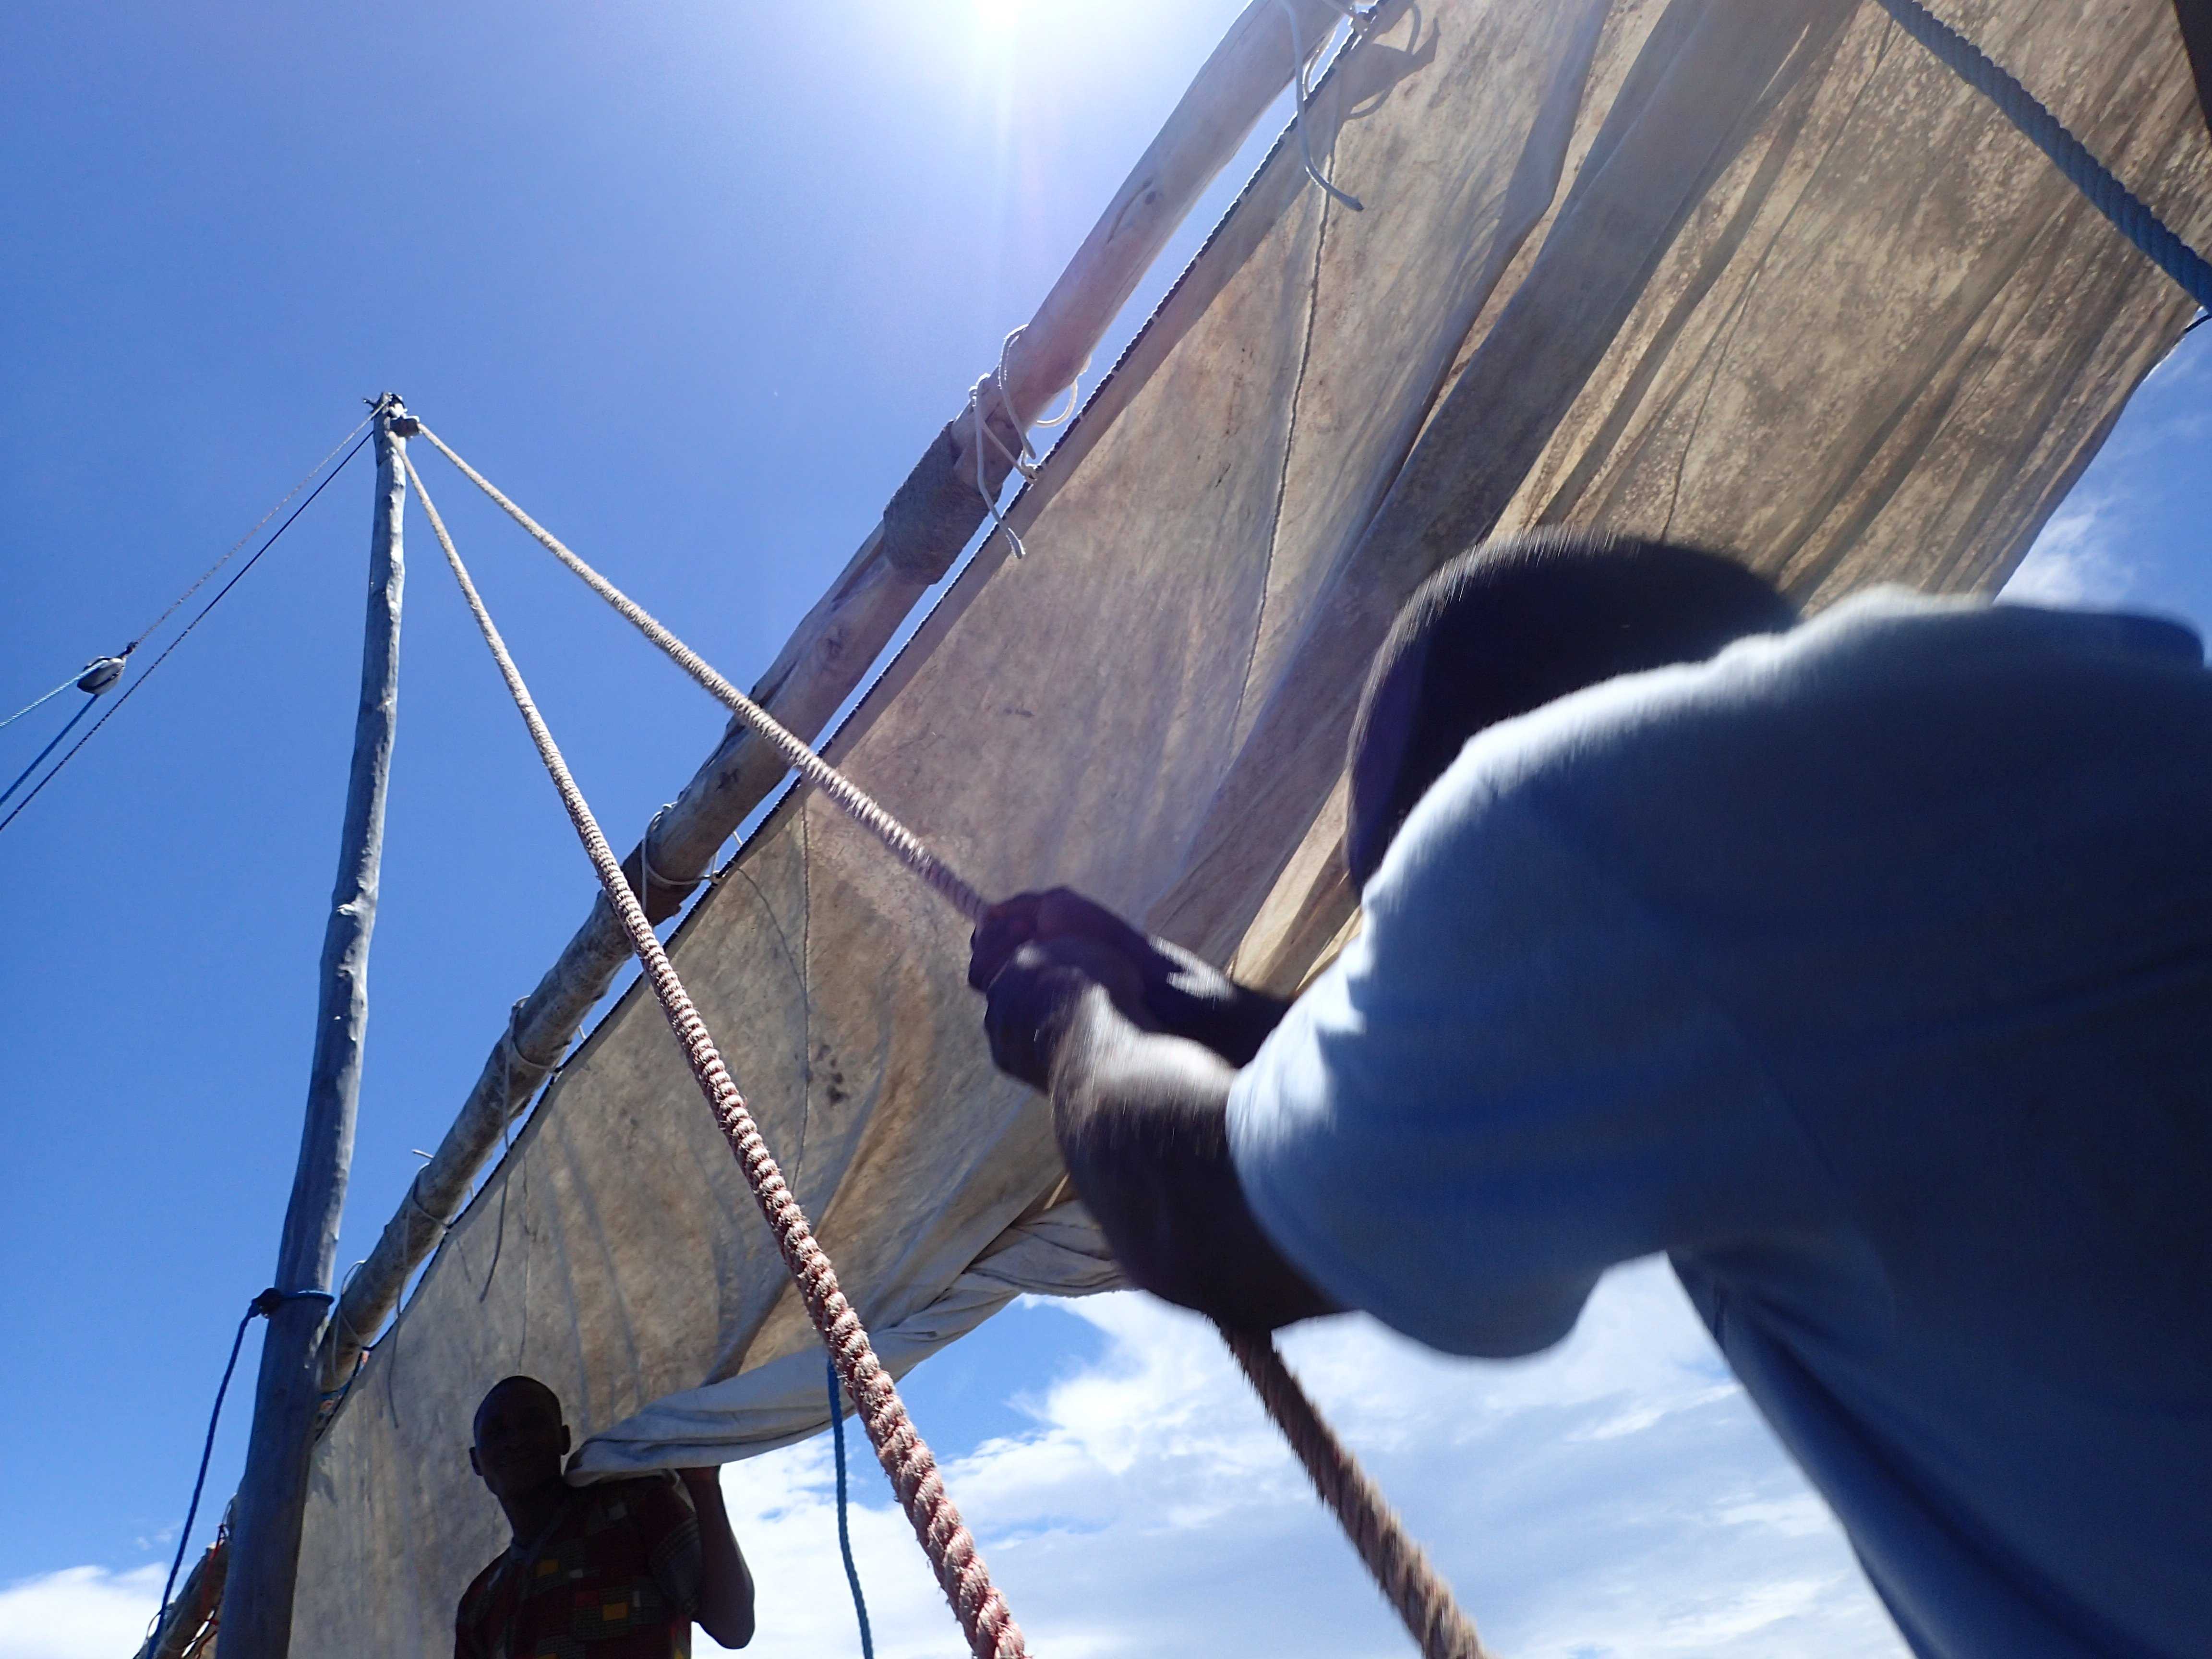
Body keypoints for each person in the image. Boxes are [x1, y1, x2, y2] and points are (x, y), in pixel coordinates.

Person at [970, 529, 2212, 1659]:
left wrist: (1069, 1018)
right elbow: (1506, 1039)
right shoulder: (2062, 734)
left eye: (1387, 916)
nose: (1383, 952)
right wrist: (1184, 994)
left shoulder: (1559, 828)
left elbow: (1206, 1209)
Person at [456, 1375, 755, 1658]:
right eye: (496, 1431)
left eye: (531, 1423)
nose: (515, 1439)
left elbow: (733, 1628)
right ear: (475, 1460)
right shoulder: (480, 1602)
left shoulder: (635, 1509)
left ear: (563, 1439)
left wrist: (703, 1482)